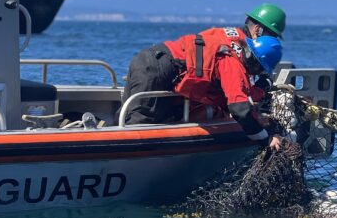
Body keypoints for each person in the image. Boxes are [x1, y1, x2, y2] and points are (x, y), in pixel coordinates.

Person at [120, 26, 284, 149]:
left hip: (153, 60)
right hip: (157, 68)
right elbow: (238, 108)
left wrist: (261, 90)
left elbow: (230, 93)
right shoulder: (234, 65)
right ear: (257, 64)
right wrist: (265, 139)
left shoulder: (230, 51)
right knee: (139, 124)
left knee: (127, 116)